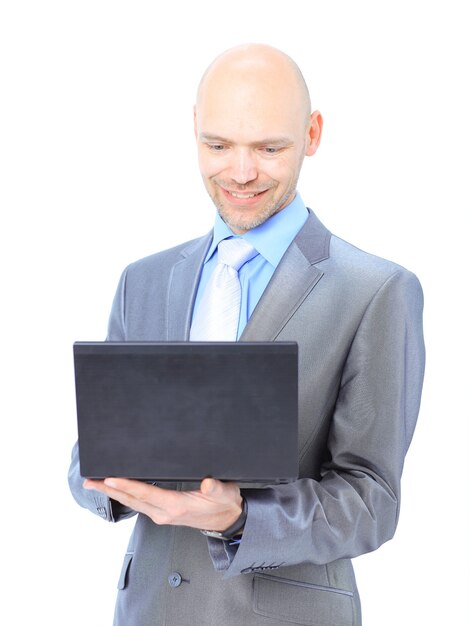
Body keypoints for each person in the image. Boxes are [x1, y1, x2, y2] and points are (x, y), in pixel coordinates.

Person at [68, 43, 425, 626]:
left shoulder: (375, 291)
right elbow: (91, 454)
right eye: (218, 145)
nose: (240, 172)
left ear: (311, 134)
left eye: (269, 147)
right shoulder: (144, 280)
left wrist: (236, 518)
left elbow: (371, 502)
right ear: (194, 130)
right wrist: (108, 480)